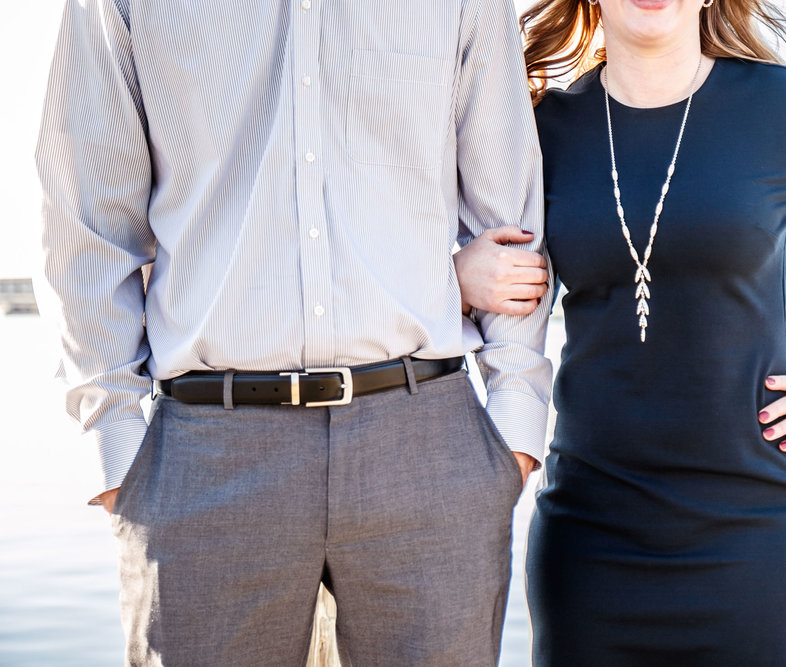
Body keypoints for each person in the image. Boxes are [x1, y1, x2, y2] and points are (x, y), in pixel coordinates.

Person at [455, 0, 786, 664]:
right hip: (590, 547)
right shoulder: (541, 132)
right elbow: (462, 291)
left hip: (763, 548)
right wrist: (456, 273)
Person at [35, 1, 553, 664]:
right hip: (204, 458)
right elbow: (86, 219)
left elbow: (510, 216)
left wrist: (511, 434)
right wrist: (119, 451)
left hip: (428, 446)